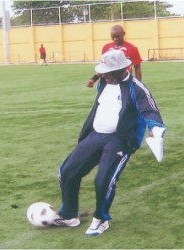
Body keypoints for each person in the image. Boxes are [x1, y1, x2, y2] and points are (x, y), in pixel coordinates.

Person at [52, 50, 166, 236]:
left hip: (119, 139)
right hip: (95, 135)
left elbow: (150, 111)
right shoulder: (104, 82)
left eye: (107, 72)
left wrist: (155, 128)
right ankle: (69, 214)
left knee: (104, 179)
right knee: (67, 171)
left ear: (123, 69)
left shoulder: (137, 88)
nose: (103, 75)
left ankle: (101, 218)